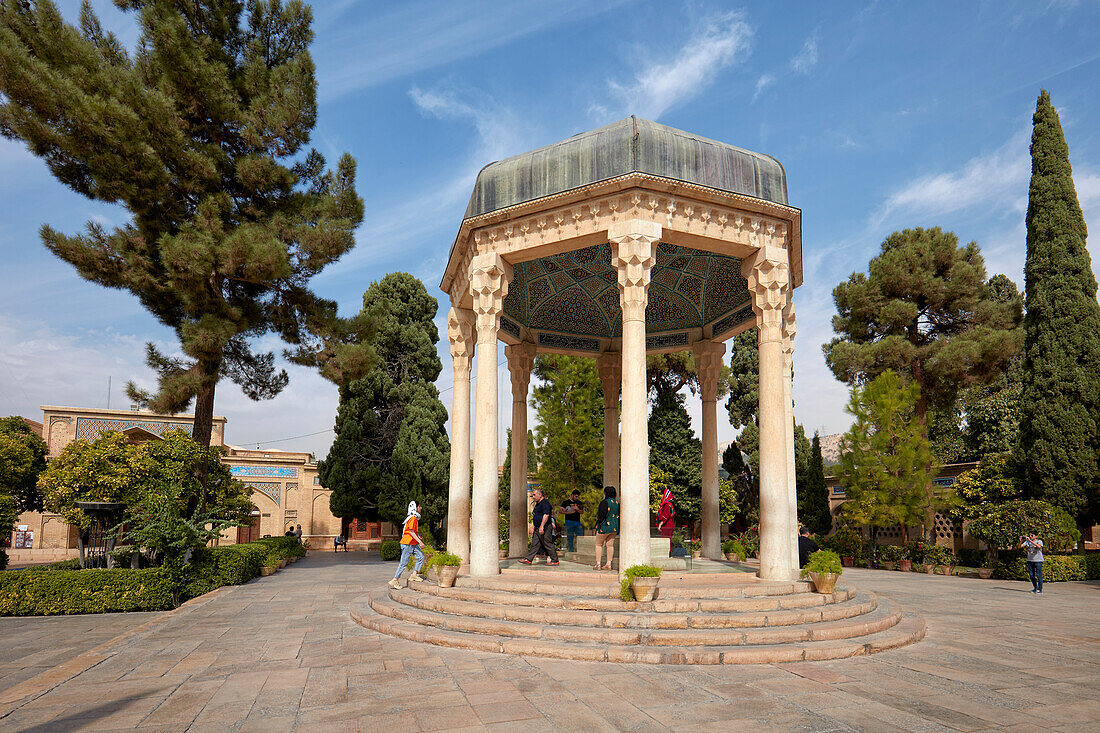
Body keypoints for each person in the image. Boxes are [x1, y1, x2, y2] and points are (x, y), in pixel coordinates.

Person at [389, 501, 427, 589]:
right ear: (415, 508)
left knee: (421, 557)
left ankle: (414, 574)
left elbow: (412, 532)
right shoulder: (413, 518)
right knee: (403, 563)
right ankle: (395, 579)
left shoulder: (413, 518)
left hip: (412, 543)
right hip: (407, 543)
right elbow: (411, 532)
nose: (421, 508)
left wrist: (418, 537)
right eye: (419, 506)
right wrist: (420, 542)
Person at [521, 488, 559, 565]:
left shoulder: (545, 503)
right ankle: (528, 559)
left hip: (545, 527)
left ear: (540, 495)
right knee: (535, 543)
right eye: (532, 495)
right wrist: (535, 526)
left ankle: (555, 560)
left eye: (534, 495)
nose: (533, 497)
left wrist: (541, 526)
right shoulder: (538, 504)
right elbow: (537, 515)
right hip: (538, 527)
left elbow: (546, 515)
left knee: (548, 543)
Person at [593, 486, 619, 570]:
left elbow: (601, 516)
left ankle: (598, 564)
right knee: (610, 545)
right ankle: (608, 564)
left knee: (598, 544)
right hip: (614, 528)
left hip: (604, 527)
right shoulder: (617, 503)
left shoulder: (604, 502)